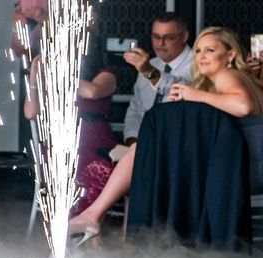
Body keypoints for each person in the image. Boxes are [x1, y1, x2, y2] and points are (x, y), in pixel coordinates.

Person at [70, 26, 263, 242]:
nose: (201, 57)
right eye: (198, 51)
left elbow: (242, 105)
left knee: (147, 155)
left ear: (230, 55)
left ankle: (98, 217)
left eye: (209, 50)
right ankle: (100, 218)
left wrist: (193, 95)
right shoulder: (237, 79)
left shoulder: (228, 75)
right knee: (147, 153)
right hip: (237, 167)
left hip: (245, 169)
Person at [15, 0, 118, 214]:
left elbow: (92, 92)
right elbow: (30, 112)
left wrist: (60, 73)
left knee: (96, 171)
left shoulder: (106, 75)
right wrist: (34, 82)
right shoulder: (52, 80)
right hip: (59, 147)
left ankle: (84, 224)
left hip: (94, 145)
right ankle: (70, 225)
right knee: (61, 167)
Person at [122, 11, 194, 141]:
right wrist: (133, 141)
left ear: (184, 37)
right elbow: (136, 109)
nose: (160, 43)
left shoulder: (200, 62)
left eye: (169, 37)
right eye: (156, 37)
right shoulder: (151, 63)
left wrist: (149, 72)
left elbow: (181, 88)